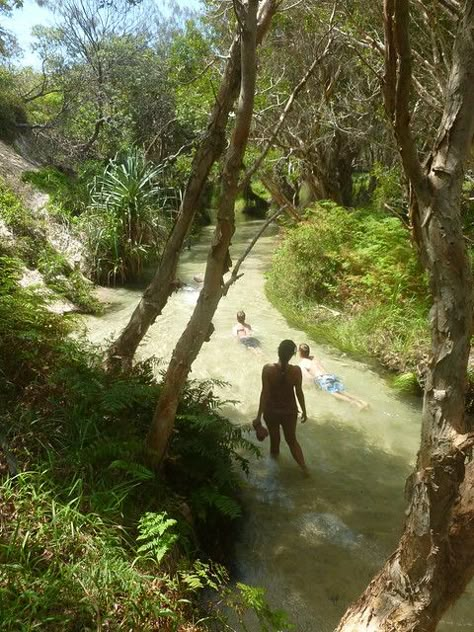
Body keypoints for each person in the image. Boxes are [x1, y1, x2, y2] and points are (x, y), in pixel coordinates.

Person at [253, 340, 308, 473]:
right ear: (292, 355)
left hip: (271, 412)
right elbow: (299, 392)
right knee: (292, 441)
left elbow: (264, 393)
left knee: (275, 441)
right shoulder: (296, 371)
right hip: (290, 412)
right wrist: (304, 412)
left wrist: (258, 416)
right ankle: (305, 470)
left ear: (278, 351)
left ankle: (275, 473)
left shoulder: (268, 369)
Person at [298, 343, 368, 409]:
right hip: (329, 376)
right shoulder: (314, 358)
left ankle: (356, 404)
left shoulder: (302, 363)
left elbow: (310, 377)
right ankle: (362, 402)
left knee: (333, 393)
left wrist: (310, 386)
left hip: (321, 379)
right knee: (343, 391)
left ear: (299, 353)